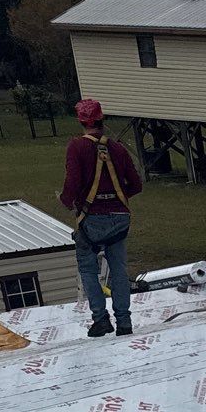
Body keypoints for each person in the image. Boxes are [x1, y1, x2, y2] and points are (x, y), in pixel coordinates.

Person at [59, 98, 143, 337]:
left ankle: (101, 319)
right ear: (101, 119)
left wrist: (67, 201)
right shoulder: (117, 148)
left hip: (92, 220)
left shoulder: (77, 147)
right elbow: (135, 185)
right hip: (119, 218)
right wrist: (116, 198)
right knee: (118, 269)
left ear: (81, 122)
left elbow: (72, 182)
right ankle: (124, 323)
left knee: (87, 268)